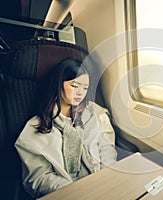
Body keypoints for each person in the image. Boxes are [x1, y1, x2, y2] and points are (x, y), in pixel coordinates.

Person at [15, 58, 117, 198]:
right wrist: (76, 191)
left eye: (85, 88)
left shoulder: (92, 113)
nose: (81, 93)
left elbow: (106, 148)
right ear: (58, 84)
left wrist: (107, 176)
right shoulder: (36, 127)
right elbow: (39, 178)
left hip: (101, 184)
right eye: (75, 86)